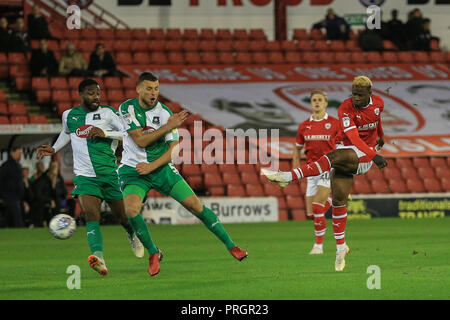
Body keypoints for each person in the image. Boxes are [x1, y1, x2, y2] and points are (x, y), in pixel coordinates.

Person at [118, 72, 248, 276]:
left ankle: (231, 245)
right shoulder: (127, 108)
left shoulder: (164, 113)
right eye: (149, 88)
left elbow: (174, 151)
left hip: (159, 168)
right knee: (131, 210)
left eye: (157, 88)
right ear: (139, 89)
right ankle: (154, 252)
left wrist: (152, 166)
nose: (154, 93)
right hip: (133, 169)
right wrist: (168, 127)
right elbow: (139, 141)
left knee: (195, 205)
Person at [262, 76, 387, 272]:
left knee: (334, 156)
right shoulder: (345, 108)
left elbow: (377, 119)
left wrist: (380, 136)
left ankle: (287, 177)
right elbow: (353, 137)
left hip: (363, 155)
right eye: (353, 93)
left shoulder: (379, 103)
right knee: (338, 201)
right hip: (351, 150)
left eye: (360, 95)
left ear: (370, 94)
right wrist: (375, 155)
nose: (355, 98)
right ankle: (341, 248)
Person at [36, 79, 160, 276]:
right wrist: (53, 148)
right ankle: (99, 258)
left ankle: (131, 234)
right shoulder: (69, 115)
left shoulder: (108, 113)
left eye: (98, 93)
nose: (96, 97)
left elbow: (128, 134)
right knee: (91, 215)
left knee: (124, 218)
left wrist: (105, 133)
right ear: (81, 94)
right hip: (85, 177)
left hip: (110, 174)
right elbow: (67, 133)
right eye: (91, 93)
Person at [293, 90, 339, 254]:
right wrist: (296, 166)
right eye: (314, 100)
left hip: (328, 168)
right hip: (311, 171)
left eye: (320, 100)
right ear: (311, 103)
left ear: (326, 103)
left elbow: (344, 144)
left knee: (317, 207)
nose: (317, 102)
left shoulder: (335, 123)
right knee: (311, 213)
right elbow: (297, 148)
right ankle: (333, 200)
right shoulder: (304, 126)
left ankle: (318, 246)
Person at [31, 161, 67, 227]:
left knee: (69, 203)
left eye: (55, 167)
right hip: (45, 201)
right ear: (49, 167)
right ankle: (41, 227)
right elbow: (38, 194)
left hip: (59, 201)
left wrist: (54, 185)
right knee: (41, 205)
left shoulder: (59, 178)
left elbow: (64, 193)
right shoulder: (43, 179)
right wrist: (49, 200)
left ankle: (63, 225)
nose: (54, 168)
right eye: (52, 166)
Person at [0, 147, 25, 228]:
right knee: (17, 217)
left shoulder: (18, 165)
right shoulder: (6, 166)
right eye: (18, 153)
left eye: (21, 153)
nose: (20, 155)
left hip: (17, 196)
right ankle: (21, 232)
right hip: (9, 195)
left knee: (8, 217)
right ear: (12, 153)